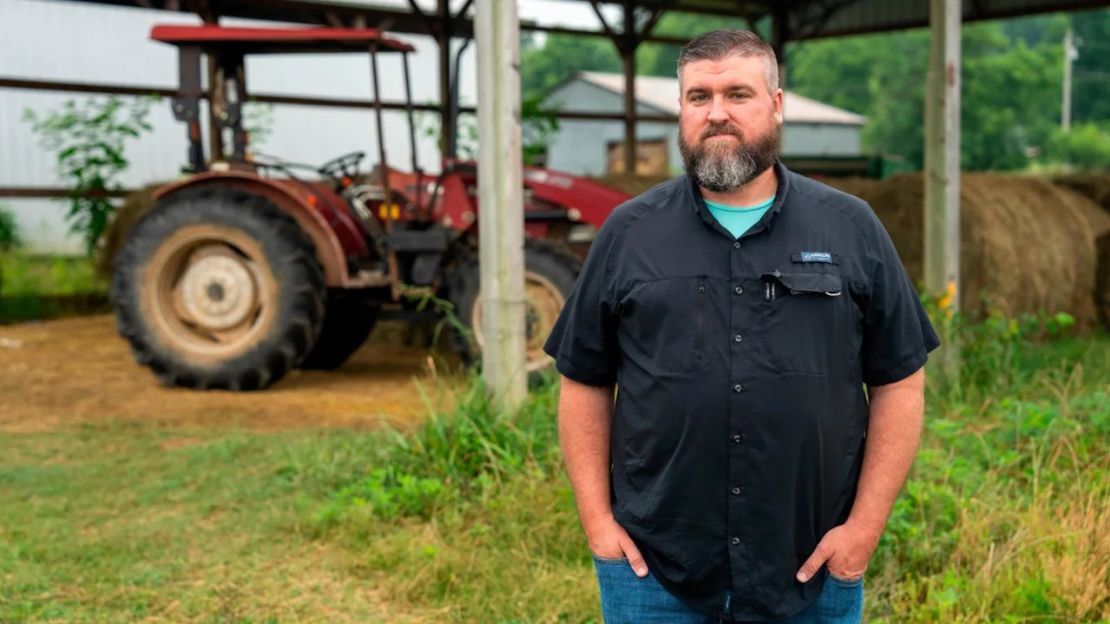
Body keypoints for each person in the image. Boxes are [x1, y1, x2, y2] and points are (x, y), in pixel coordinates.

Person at [541, 29, 940, 623]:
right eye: (699, 96)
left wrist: (863, 530)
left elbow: (900, 382)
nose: (717, 113)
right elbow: (584, 381)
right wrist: (598, 524)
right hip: (654, 572)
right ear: (681, 109)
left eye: (738, 94)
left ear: (775, 104)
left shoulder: (850, 228)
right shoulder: (628, 233)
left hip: (813, 567)